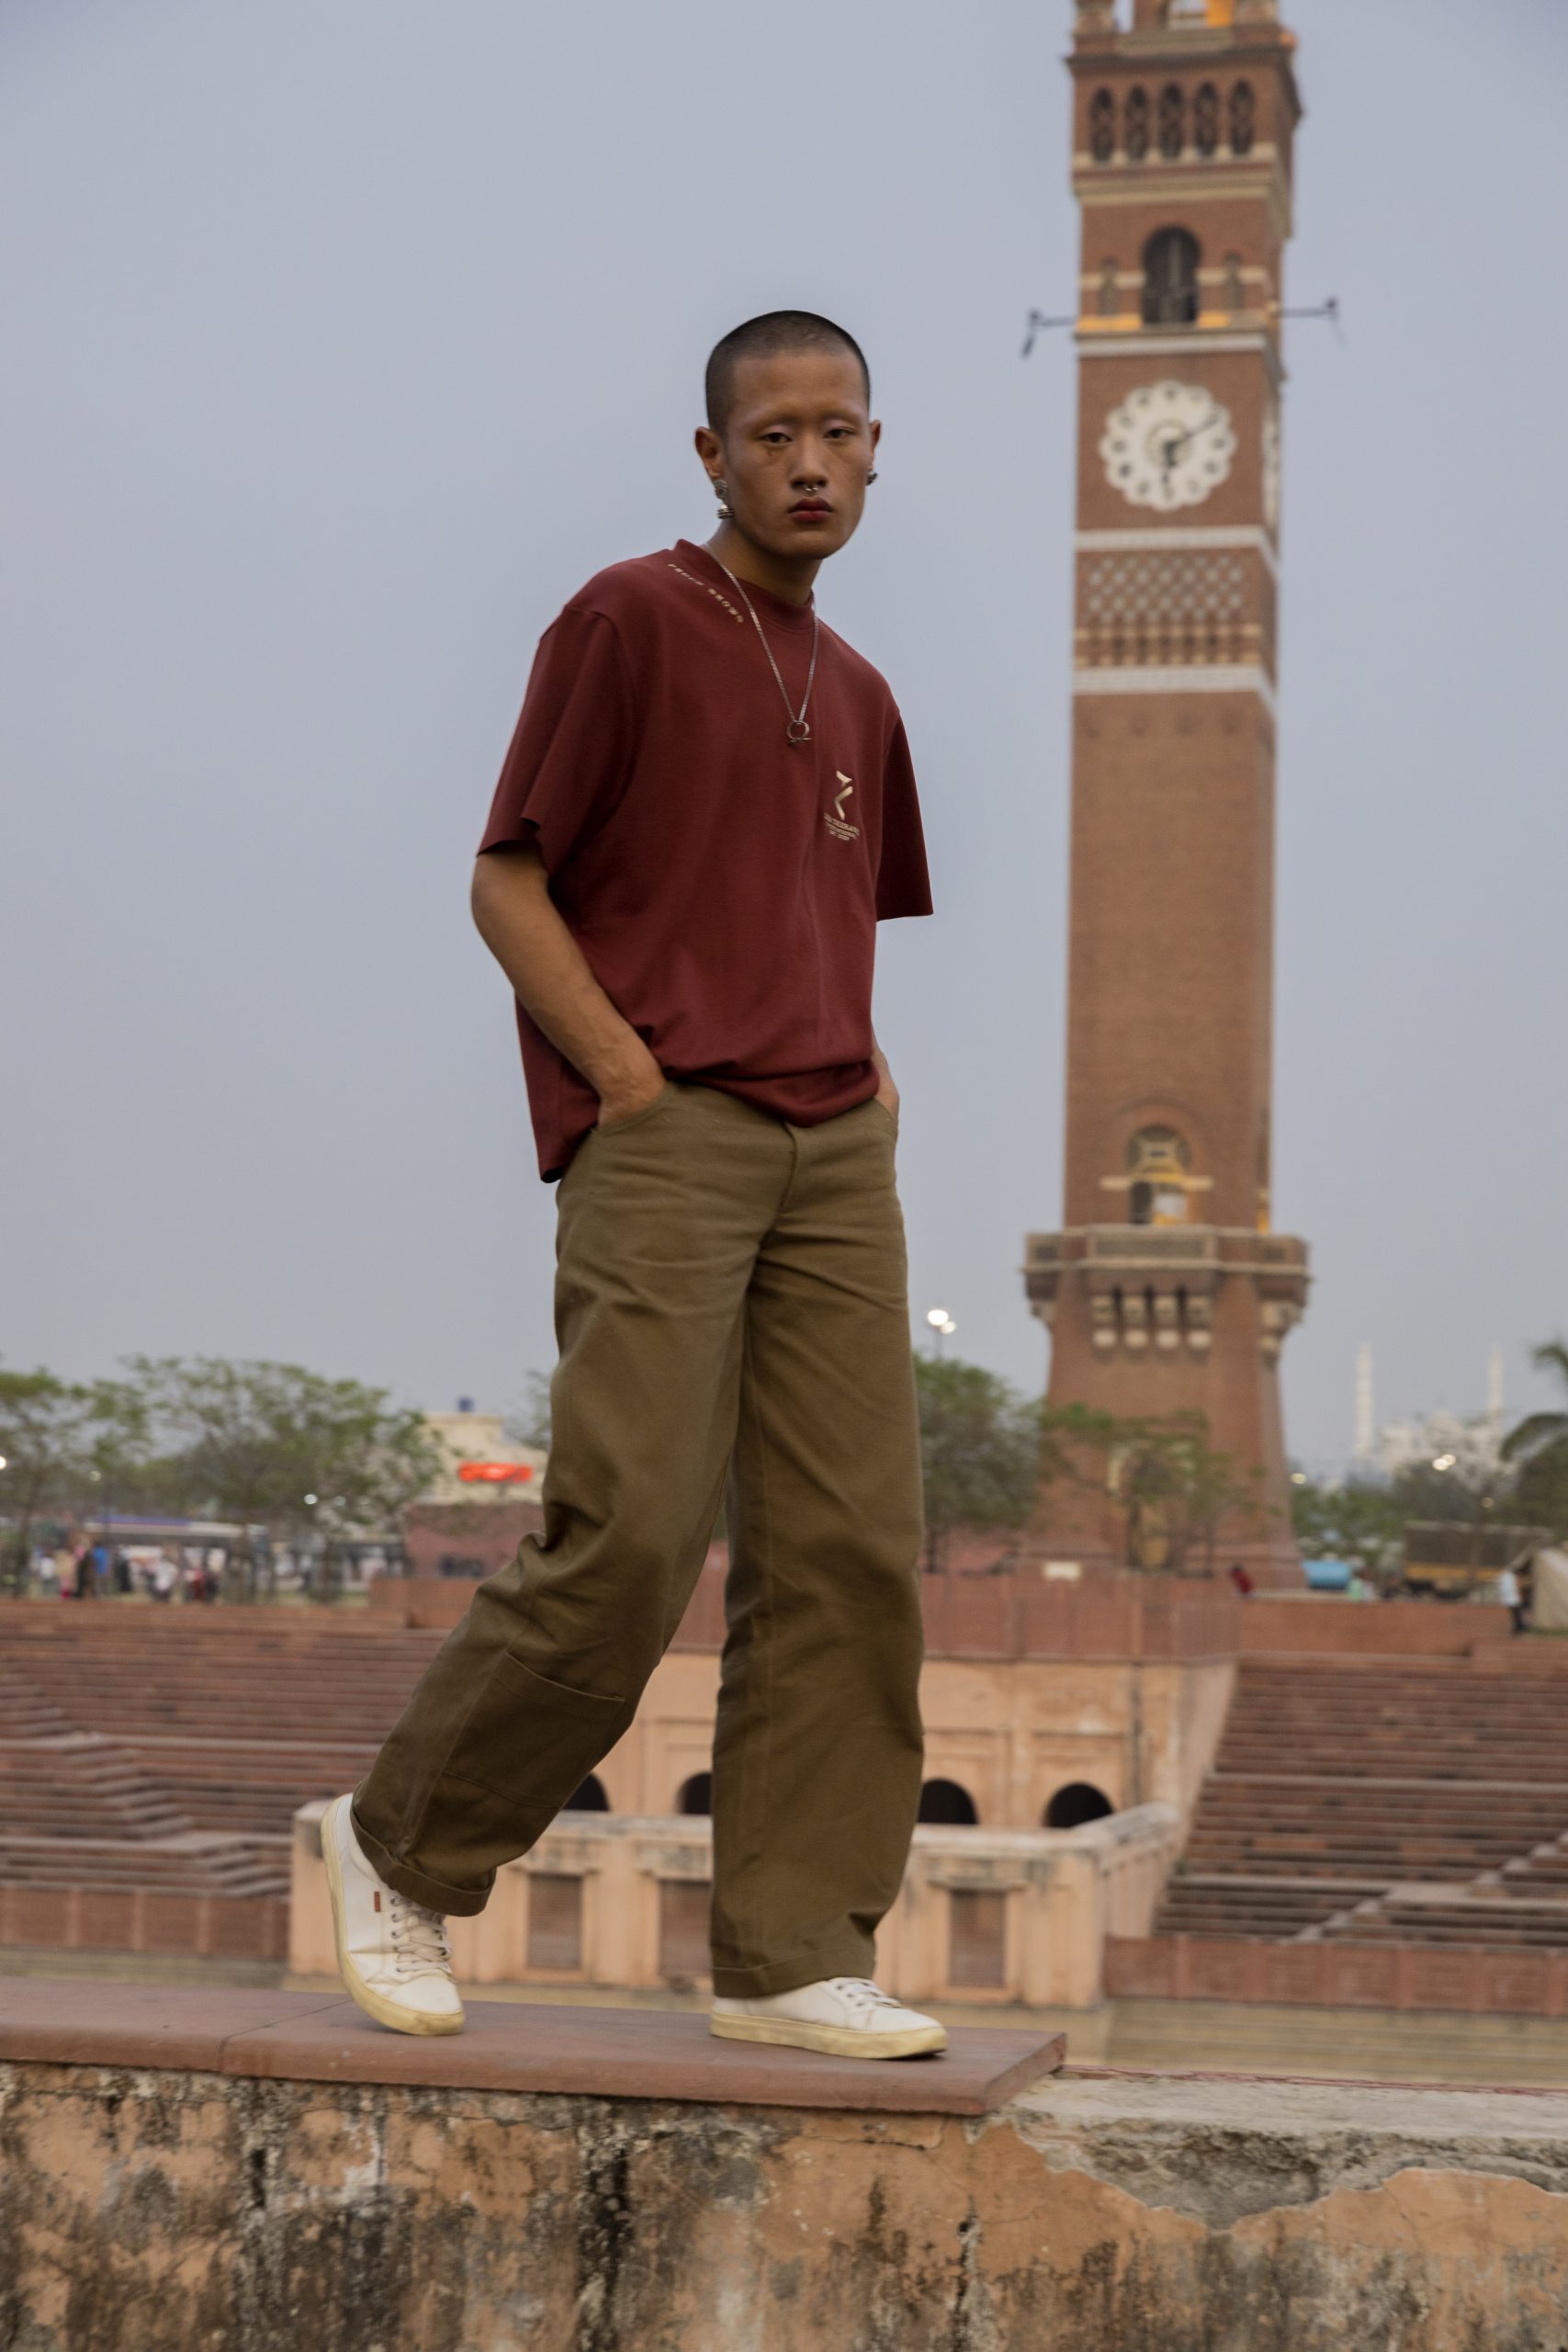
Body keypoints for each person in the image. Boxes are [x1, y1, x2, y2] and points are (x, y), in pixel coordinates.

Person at [323, 311, 943, 2060]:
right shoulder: (631, 617)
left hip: (836, 1145)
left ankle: (792, 1950)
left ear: (879, 449)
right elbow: (505, 880)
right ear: (714, 457)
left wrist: (869, 1083)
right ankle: (400, 1859)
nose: (808, 463)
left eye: (838, 433)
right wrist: (622, 1074)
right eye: (772, 437)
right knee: (635, 1535)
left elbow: (825, 914)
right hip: (671, 1130)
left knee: (847, 1555)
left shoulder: (868, 693)